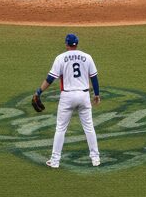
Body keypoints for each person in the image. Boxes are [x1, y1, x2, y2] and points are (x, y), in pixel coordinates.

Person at [36, 32, 101, 169]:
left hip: (67, 97)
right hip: (84, 96)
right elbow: (94, 77)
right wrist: (97, 94)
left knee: (60, 128)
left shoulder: (60, 58)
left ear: (66, 44)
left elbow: (50, 79)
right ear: (76, 44)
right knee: (89, 128)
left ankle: (55, 161)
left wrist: (39, 91)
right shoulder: (87, 57)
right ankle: (95, 159)